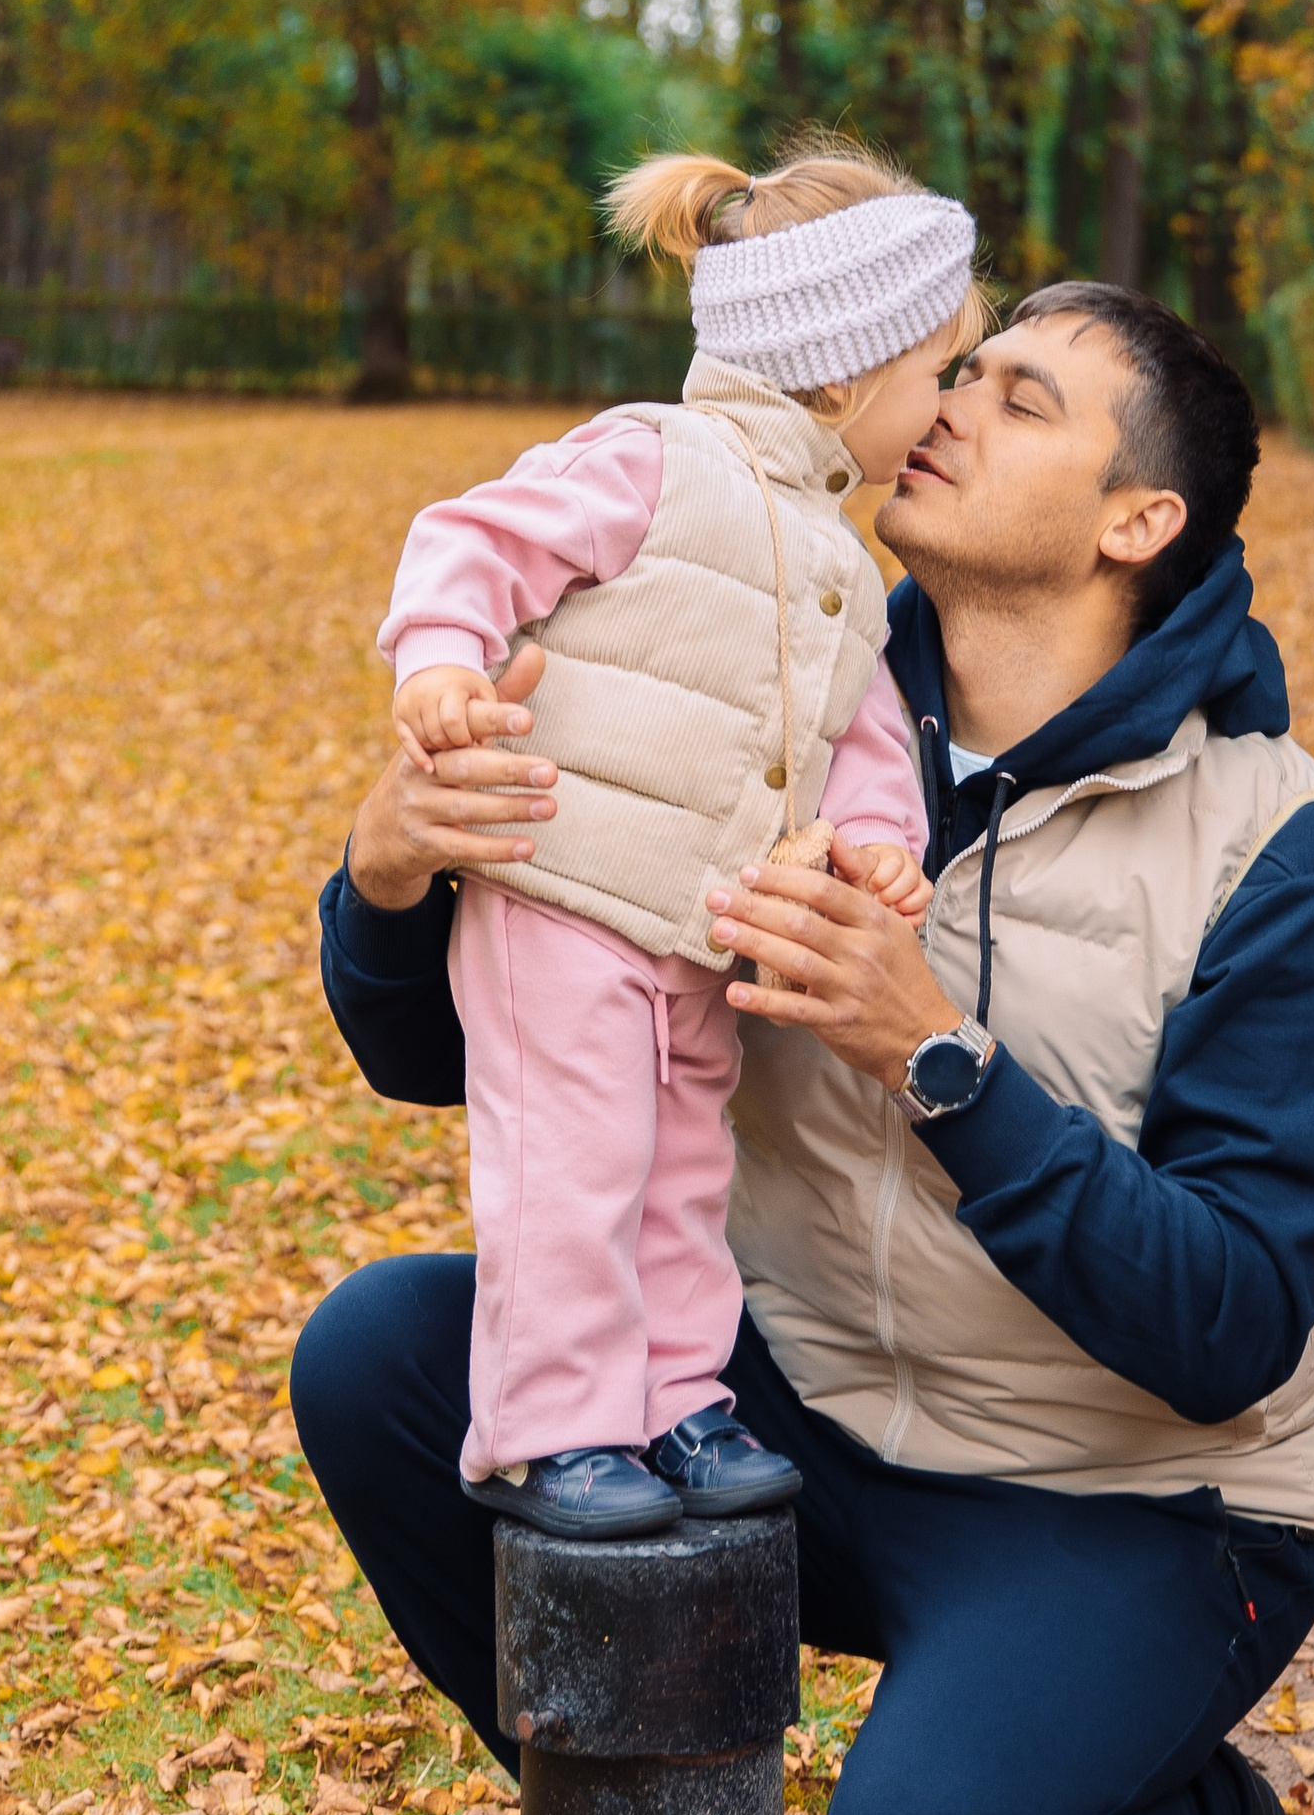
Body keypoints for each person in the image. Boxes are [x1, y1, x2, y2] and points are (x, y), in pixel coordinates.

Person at [295, 278, 1314, 1815]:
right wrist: (393, 872)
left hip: (1127, 1499)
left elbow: (1225, 1328)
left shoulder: (1275, 852)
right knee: (386, 1360)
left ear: (1141, 521)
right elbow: (455, 1057)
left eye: (1021, 396)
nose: (950, 401)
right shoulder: (779, 688)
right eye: (957, 369)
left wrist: (941, 1059)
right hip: (786, 1405)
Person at [378, 141, 988, 1542]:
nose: (947, 407)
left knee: (680, 1172)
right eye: (939, 371)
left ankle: (674, 1401)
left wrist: (879, 850)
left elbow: (860, 737)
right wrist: (439, 664)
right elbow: (472, 542)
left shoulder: (838, 554)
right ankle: (557, 1428)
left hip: (694, 934)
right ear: (843, 373)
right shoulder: (649, 461)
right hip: (564, 898)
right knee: (573, 1170)